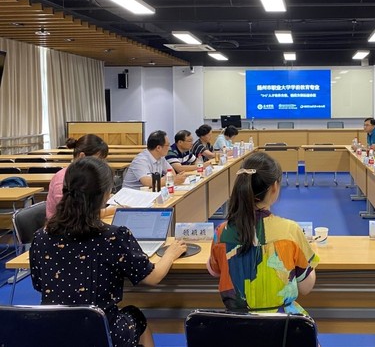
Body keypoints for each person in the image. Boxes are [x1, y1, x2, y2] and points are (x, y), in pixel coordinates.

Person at [30, 157, 187, 347]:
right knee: (136, 316)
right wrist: (170, 253)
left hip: (51, 332)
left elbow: (39, 284)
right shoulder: (113, 236)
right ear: (105, 195)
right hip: (101, 331)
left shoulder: (41, 236)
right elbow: (152, 277)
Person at [207, 151, 319, 315]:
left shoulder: (221, 232)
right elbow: (306, 287)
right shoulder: (290, 231)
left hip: (236, 324)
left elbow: (214, 270)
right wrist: (308, 255)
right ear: (274, 187)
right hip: (283, 325)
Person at [46, 134, 112, 219]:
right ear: (82, 156)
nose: (101, 164)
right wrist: (112, 210)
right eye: (98, 160)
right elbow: (73, 214)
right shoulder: (62, 179)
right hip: (63, 224)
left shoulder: (86, 175)